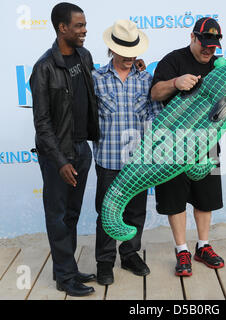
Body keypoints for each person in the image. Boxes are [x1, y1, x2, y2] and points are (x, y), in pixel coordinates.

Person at [30, 2, 99, 296]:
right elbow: (42, 124)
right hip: (58, 156)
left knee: (71, 214)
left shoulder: (84, 56)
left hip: (82, 149)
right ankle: (65, 277)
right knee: (57, 216)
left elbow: (96, 87)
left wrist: (132, 63)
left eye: (84, 25)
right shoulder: (44, 67)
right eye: (79, 26)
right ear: (63, 28)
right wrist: (59, 161)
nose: (85, 31)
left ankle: (67, 269)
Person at [151, 17, 225, 277]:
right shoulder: (173, 60)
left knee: (206, 198)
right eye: (204, 43)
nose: (208, 49)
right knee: (174, 199)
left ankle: (203, 246)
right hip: (171, 143)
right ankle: (181, 249)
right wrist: (175, 83)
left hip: (207, 142)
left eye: (213, 45)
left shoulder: (219, 65)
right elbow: (155, 93)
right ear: (192, 38)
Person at [92, 20, 162, 285]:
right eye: (124, 52)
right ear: (112, 50)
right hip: (107, 160)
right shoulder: (95, 79)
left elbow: (155, 117)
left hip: (138, 162)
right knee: (106, 213)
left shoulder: (147, 79)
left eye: (133, 52)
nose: (129, 58)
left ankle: (130, 254)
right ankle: (104, 261)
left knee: (135, 213)